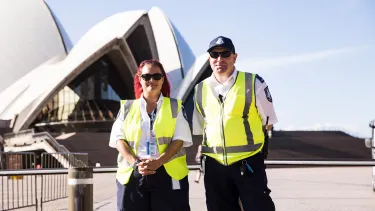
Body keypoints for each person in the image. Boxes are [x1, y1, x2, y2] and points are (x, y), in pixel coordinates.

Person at [192, 36, 278, 211]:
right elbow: (201, 126)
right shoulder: (200, 89)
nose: (219, 59)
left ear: (234, 57)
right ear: (209, 59)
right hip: (214, 165)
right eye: (214, 55)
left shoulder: (253, 83)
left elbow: (268, 122)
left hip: (247, 163)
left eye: (225, 54)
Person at [109, 59, 192, 211]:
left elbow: (180, 139)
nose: (151, 80)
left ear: (163, 79)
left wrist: (158, 161)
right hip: (133, 173)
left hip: (168, 173)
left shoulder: (175, 106)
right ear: (139, 79)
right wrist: (136, 163)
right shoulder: (127, 107)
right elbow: (118, 139)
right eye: (146, 77)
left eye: (156, 76)